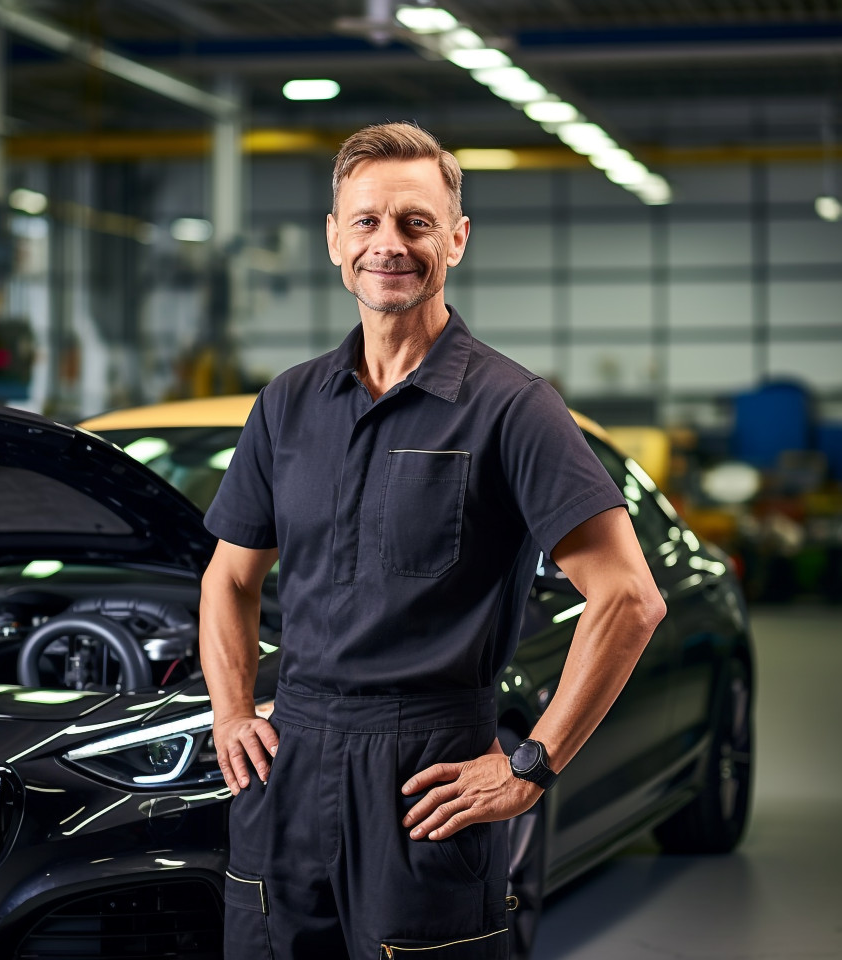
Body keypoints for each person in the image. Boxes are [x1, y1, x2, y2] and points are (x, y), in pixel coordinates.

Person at [199, 121, 665, 959]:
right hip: (288, 771)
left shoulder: (514, 408)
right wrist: (231, 712)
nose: (389, 244)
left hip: (424, 782)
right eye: (367, 222)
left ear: (457, 238)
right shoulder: (287, 404)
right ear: (334, 238)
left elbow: (629, 597)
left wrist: (531, 765)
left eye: (415, 222)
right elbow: (230, 578)